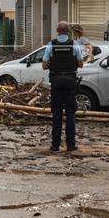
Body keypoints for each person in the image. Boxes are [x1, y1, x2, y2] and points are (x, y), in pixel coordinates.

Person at [42, 21, 84, 152]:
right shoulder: (74, 45)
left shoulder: (51, 45)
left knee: (57, 114)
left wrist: (52, 65)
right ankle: (70, 145)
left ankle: (55, 145)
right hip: (70, 82)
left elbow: (44, 65)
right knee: (71, 114)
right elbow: (81, 64)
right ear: (68, 31)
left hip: (56, 82)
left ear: (57, 31)